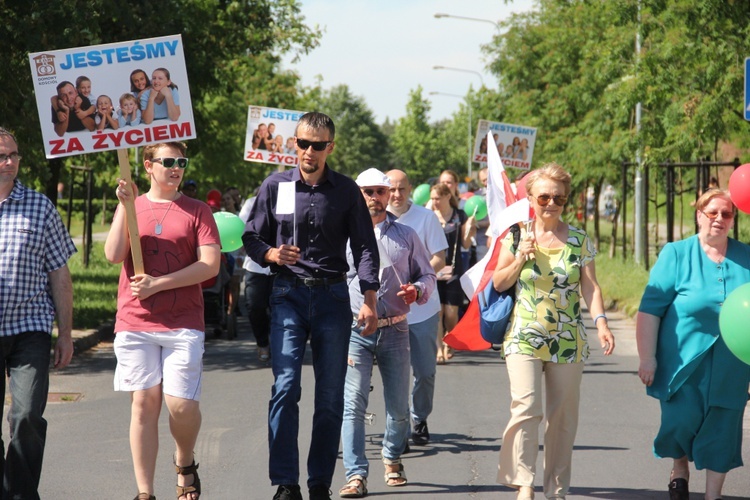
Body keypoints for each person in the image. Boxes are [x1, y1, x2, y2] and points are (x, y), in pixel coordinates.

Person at [242, 112, 380, 500]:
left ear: (329, 148)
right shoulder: (274, 185)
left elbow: (365, 247)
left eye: (318, 145)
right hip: (287, 294)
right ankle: (286, 482)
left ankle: (319, 481)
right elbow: (251, 236)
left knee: (331, 394)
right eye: (303, 143)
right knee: (285, 387)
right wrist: (271, 252)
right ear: (294, 144)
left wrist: (369, 298)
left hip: (334, 297)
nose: (309, 151)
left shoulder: (347, 190)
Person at [105, 142, 221, 500]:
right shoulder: (133, 207)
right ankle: (145, 492)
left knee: (180, 404)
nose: (175, 168)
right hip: (135, 321)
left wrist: (159, 284)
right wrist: (126, 207)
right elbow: (112, 255)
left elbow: (209, 266)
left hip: (182, 322)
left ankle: (184, 461)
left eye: (180, 162)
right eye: (167, 162)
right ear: (148, 165)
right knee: (144, 403)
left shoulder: (198, 211)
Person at [492, 162, 615, 499]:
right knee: (526, 407)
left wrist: (601, 323)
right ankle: (525, 483)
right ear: (531, 198)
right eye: (544, 197)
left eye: (558, 198)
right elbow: (499, 282)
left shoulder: (578, 239)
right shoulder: (517, 234)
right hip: (524, 336)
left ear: (566, 200)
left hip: (568, 341)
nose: (550, 204)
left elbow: (590, 287)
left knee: (562, 420)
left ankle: (556, 491)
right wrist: (519, 258)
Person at [636, 189, 750, 500]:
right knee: (679, 423)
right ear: (699, 215)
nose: (719, 219)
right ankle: (680, 466)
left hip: (734, 363)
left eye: (726, 214)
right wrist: (648, 358)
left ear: (733, 219)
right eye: (712, 212)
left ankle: (712, 496)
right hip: (682, 359)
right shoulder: (676, 253)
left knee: (724, 428)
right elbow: (650, 309)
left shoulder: (747, 256)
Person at [338, 168, 436, 497]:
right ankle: (355, 474)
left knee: (397, 406)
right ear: (357, 194)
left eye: (381, 191)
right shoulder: (342, 235)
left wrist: (417, 290)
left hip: (395, 330)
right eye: (368, 192)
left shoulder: (406, 235)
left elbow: (427, 276)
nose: (376, 198)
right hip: (355, 330)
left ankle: (392, 456)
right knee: (352, 403)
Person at [0, 127, 76, 499]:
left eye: (14, 155)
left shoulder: (39, 206)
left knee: (27, 415)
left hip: (29, 325)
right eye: (2, 156)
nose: (10, 162)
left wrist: (65, 333)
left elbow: (60, 273)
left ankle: (22, 494)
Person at [386, 169, 448, 447]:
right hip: (388, 311)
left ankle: (419, 416)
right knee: (394, 373)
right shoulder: (374, 218)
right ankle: (397, 426)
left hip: (422, 308)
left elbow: (439, 257)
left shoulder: (425, 218)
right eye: (392, 189)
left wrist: (418, 280)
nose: (397, 195)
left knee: (424, 370)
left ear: (410, 188)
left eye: (402, 189)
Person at [430, 183, 475, 363]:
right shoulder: (430, 216)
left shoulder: (459, 216)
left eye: (437, 198)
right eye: (432, 199)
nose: (435, 202)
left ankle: (450, 339)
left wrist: (470, 228)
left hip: (454, 270)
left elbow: (465, 244)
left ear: (448, 196)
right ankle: (439, 349)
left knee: (450, 313)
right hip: (434, 268)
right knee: (437, 312)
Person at [239, 189, 272, 361]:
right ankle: (262, 342)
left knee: (281, 308)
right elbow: (242, 230)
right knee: (255, 306)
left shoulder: (291, 201)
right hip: (256, 266)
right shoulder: (252, 203)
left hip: (282, 266)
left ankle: (280, 343)